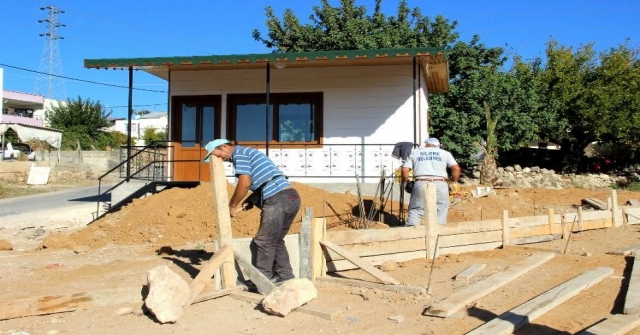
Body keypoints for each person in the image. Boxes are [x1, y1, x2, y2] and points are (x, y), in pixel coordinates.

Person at [204, 139, 301, 285]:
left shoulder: (239, 154)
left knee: (264, 241)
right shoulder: (249, 152)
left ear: (224, 147)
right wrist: (252, 200)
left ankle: (261, 281)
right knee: (276, 240)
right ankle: (285, 276)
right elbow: (266, 179)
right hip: (291, 196)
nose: (219, 159)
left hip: (277, 198)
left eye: (216, 154)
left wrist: (232, 205)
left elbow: (245, 182)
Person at [401, 137, 460, 225]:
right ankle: (438, 234)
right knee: (440, 210)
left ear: (426, 144)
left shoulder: (416, 152)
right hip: (440, 183)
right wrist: (454, 182)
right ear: (438, 145)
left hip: (421, 182)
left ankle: (412, 234)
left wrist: (405, 182)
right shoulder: (445, 153)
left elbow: (404, 170)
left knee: (416, 210)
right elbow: (456, 168)